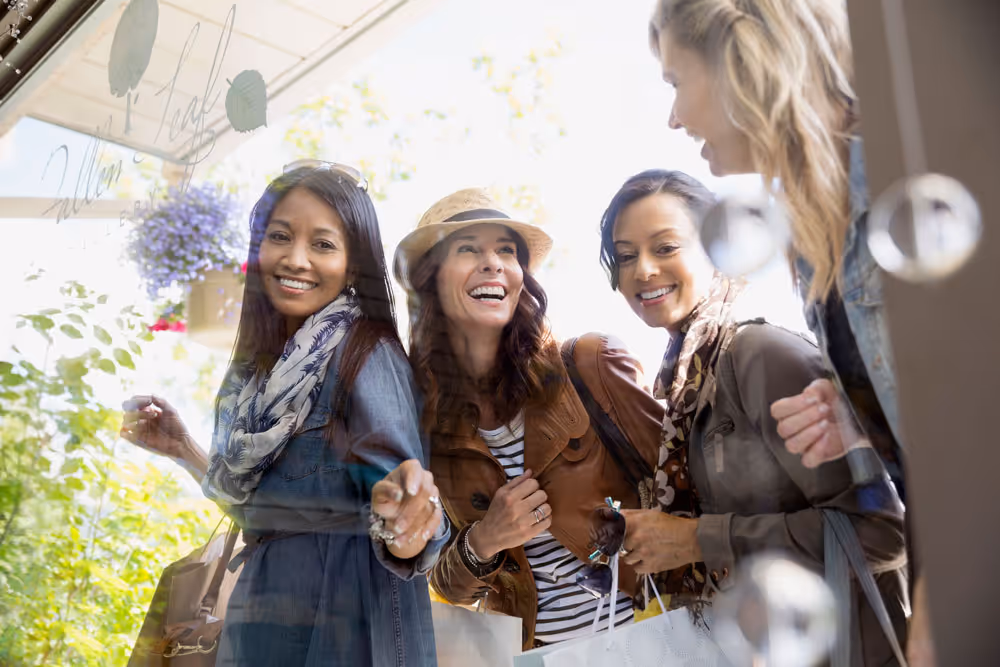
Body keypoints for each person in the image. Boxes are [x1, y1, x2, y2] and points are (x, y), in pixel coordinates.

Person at [645, 1, 934, 663]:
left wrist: (940, 601)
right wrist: (866, 414)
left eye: (675, 83)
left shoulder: (897, 170)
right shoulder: (811, 241)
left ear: (737, 62)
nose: (673, 117)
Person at [120, 163, 445, 667]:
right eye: (280, 237)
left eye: (322, 244)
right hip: (264, 614)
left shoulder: (364, 350)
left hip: (346, 619)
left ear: (352, 262)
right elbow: (263, 515)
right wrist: (183, 448)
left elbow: (410, 519)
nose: (296, 260)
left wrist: (407, 516)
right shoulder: (262, 375)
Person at [599, 168, 908, 665]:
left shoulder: (759, 354)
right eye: (627, 255)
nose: (644, 271)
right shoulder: (684, 386)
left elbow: (881, 532)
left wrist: (697, 540)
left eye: (666, 247)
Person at [393, 187, 664, 650]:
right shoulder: (423, 426)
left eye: (506, 250)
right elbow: (444, 582)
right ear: (432, 280)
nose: (493, 262)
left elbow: (684, 491)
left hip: (650, 643)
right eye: (468, 249)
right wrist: (484, 540)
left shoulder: (592, 363)